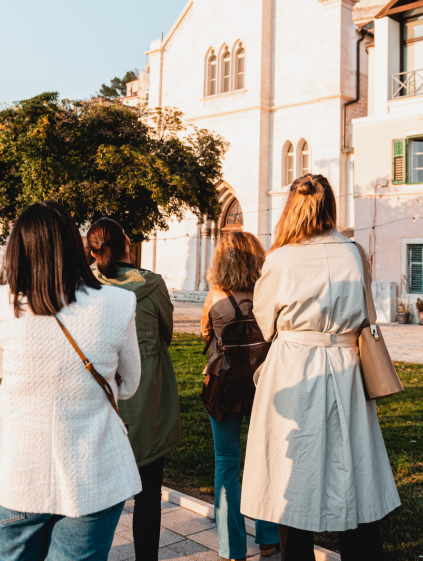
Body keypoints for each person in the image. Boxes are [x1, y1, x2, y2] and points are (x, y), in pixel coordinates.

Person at [0, 202, 141, 561]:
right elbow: (129, 383)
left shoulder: (5, 300)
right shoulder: (119, 302)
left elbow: (0, 367)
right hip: (92, 468)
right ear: (74, 245)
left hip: (17, 466)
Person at [241, 174, 399, 560]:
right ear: (330, 207)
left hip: (295, 366)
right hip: (346, 365)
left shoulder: (280, 259)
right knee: (355, 467)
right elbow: (368, 314)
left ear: (291, 207)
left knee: (292, 474)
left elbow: (265, 320)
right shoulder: (353, 252)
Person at [87, 218, 182, 561]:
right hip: (147, 403)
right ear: (127, 242)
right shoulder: (152, 285)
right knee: (149, 495)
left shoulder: (83, 286)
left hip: (100, 405)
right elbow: (166, 334)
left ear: (93, 250)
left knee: (96, 498)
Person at [200, 231, 279, 560]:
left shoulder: (216, 294)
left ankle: (231, 546)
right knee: (265, 459)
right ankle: (269, 536)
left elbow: (204, 334)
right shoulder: (266, 291)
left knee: (226, 463)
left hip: (224, 384)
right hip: (262, 383)